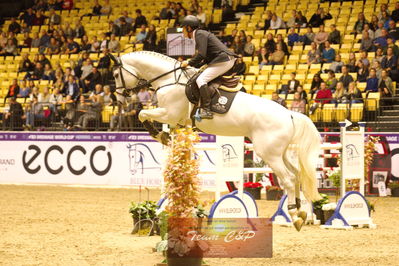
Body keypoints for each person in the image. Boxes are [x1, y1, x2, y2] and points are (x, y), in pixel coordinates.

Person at [181, 15, 237, 119]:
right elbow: (206, 57)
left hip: (224, 60)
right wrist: (197, 65)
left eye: (183, 28)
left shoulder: (199, 34)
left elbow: (201, 55)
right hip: (221, 60)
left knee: (201, 80)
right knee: (200, 76)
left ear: (189, 28)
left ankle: (207, 110)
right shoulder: (199, 34)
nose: (182, 32)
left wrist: (188, 63)